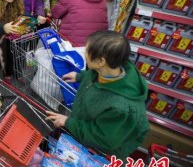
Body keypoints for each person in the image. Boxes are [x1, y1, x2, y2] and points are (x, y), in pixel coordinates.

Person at [46, 31, 149, 159]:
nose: (84, 53)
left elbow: (101, 137)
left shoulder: (119, 107)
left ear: (101, 61)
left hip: (101, 148)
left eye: (87, 51)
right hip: (88, 122)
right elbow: (95, 74)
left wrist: (68, 122)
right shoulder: (112, 68)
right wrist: (80, 76)